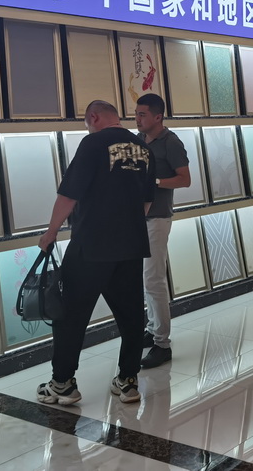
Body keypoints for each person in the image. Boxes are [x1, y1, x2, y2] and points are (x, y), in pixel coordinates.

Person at [36, 100, 155, 405]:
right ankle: (128, 381)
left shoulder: (92, 144)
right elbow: (146, 201)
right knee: (131, 316)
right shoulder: (144, 149)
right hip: (131, 246)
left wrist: (51, 232)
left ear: (93, 117)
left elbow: (68, 195)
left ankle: (62, 384)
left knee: (71, 315)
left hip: (92, 245)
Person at [134, 92, 190, 368]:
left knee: (154, 279)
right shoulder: (138, 140)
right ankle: (152, 327)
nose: (137, 119)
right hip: (137, 217)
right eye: (136, 114)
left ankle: (162, 344)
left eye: (142, 114)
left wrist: (154, 182)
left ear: (158, 116)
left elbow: (185, 179)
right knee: (145, 279)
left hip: (157, 217)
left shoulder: (171, 142)